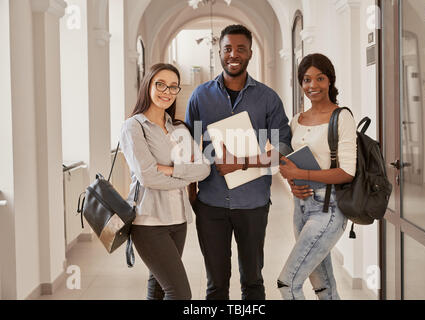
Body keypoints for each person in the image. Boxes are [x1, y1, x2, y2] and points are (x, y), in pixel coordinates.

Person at [185, 24, 292, 300]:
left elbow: (282, 149)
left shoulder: (268, 99)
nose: (234, 54)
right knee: (216, 286)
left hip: (253, 204)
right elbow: (189, 147)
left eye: (240, 49)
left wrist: (241, 162)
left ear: (250, 53)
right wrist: (192, 195)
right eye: (228, 49)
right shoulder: (200, 97)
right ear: (219, 52)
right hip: (210, 204)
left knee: (253, 283)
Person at [120, 63, 211, 300]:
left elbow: (203, 168)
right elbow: (148, 176)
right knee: (179, 293)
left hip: (178, 219)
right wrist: (183, 176)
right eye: (160, 84)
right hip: (149, 222)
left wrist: (170, 170)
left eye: (173, 87)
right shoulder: (134, 126)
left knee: (159, 286)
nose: (167, 91)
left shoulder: (178, 127)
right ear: (148, 85)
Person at [277, 53, 357, 300]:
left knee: (287, 283)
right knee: (323, 287)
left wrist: (299, 173)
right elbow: (288, 162)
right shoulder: (296, 121)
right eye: (307, 80)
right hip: (301, 208)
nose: (313, 86)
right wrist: (293, 183)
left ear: (330, 81)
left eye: (320, 79)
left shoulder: (341, 117)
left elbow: (346, 172)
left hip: (329, 209)